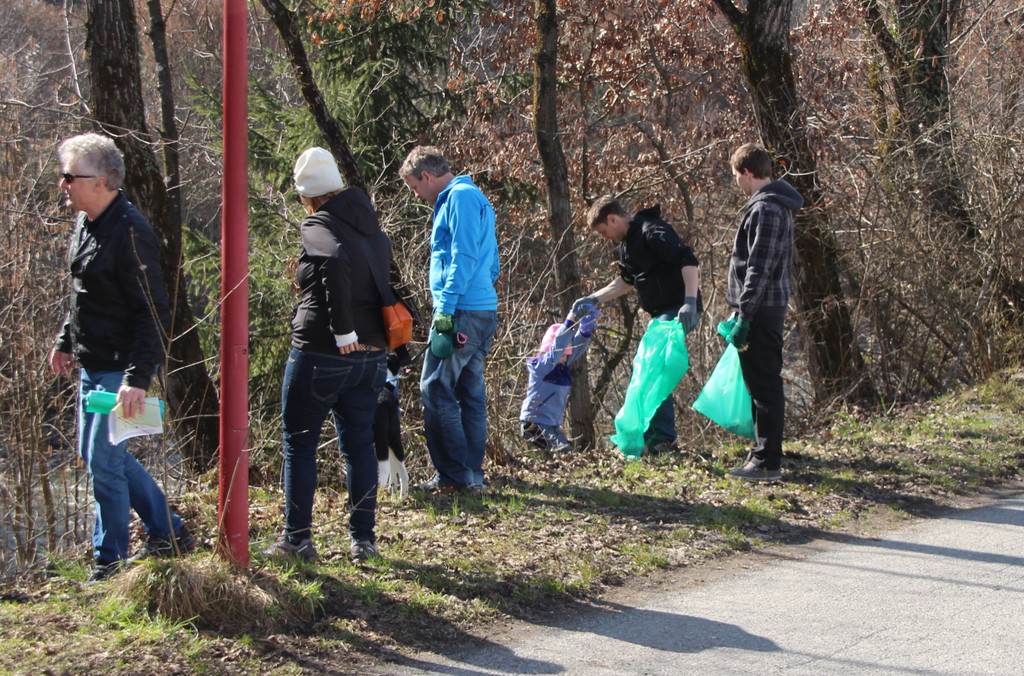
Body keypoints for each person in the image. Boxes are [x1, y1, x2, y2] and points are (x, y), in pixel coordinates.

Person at [49, 132, 194, 583]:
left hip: (120, 369)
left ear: (101, 181)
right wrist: (66, 339)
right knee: (97, 456)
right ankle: (169, 530)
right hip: (93, 365)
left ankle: (108, 562)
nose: (63, 184)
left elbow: (153, 312)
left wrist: (137, 378)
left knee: (104, 463)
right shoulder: (87, 221)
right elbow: (84, 291)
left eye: (70, 176)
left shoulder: (131, 232)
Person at [269, 147, 389, 563]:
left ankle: (297, 540)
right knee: (359, 446)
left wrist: (342, 330)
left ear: (307, 194)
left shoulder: (318, 224)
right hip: (371, 355)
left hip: (323, 352)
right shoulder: (370, 225)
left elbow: (334, 260)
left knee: (299, 444)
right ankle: (363, 540)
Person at [400, 146, 499, 494]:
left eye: (415, 187)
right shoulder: (475, 197)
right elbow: (492, 262)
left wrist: (445, 307)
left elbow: (464, 256)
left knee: (435, 387)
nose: (416, 195)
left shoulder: (459, 198)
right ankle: (470, 475)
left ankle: (454, 476)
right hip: (479, 308)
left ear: (427, 176)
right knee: (468, 391)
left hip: (461, 311)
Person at [575, 197, 702, 454]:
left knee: (652, 365)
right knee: (647, 366)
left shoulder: (651, 231)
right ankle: (653, 436)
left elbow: (687, 261)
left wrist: (690, 302)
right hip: (661, 313)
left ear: (612, 219)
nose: (604, 237)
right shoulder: (627, 245)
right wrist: (595, 298)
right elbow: (626, 280)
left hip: (679, 309)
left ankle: (663, 438)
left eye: (603, 231)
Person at [723, 143, 804, 482]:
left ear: (747, 172)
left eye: (736, 176)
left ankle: (767, 462)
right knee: (759, 385)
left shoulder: (766, 209)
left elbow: (758, 268)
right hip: (761, 309)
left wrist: (744, 316)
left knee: (764, 387)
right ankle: (761, 453)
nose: (736, 183)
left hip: (760, 312)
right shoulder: (771, 205)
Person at [519, 306, 600, 453]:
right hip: (534, 424)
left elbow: (576, 349)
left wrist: (584, 331)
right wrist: (570, 320)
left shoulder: (561, 367)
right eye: (562, 354)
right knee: (563, 451)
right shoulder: (541, 367)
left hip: (552, 426)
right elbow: (557, 349)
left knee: (569, 453)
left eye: (566, 355)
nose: (564, 358)